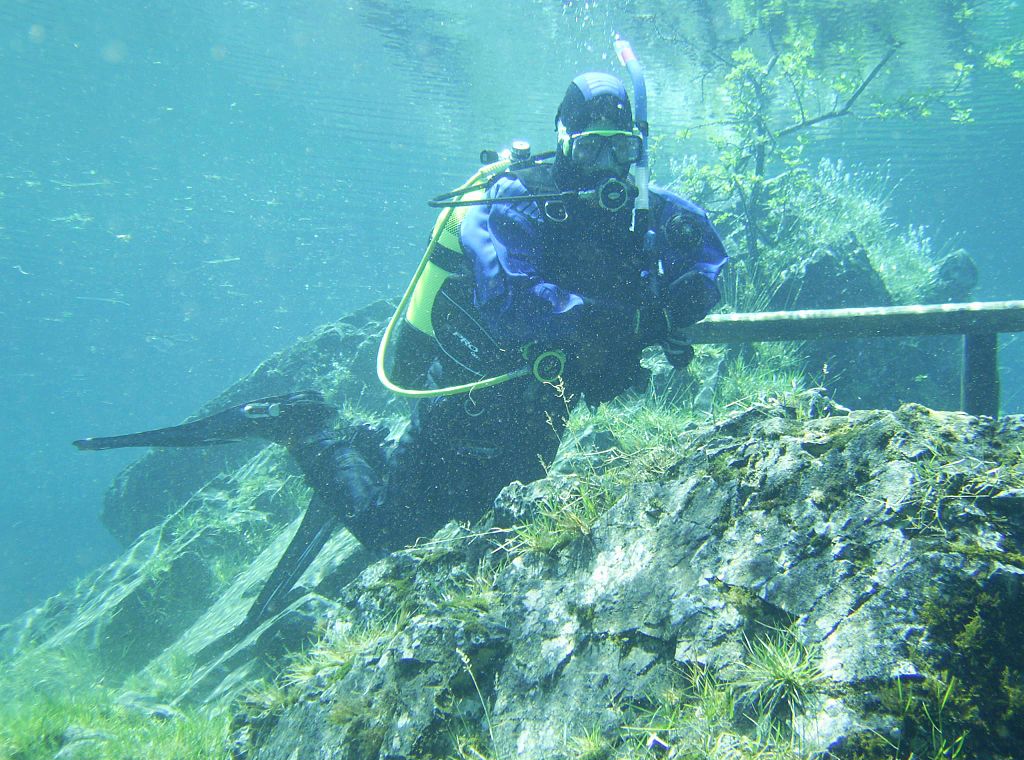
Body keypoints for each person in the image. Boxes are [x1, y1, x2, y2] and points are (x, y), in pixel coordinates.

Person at [75, 57, 728, 629]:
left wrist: (690, 294)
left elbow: (704, 248)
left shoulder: (641, 205)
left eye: (620, 149)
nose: (608, 167)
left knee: (494, 529)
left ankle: (371, 449)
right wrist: (615, 323)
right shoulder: (511, 201)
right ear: (564, 144)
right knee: (396, 534)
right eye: (592, 149)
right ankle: (312, 426)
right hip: (462, 397)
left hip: (539, 405)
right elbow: (510, 301)